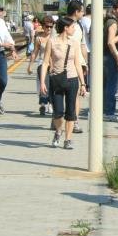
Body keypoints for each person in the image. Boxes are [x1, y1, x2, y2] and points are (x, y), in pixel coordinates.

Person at [40, 16, 86, 150]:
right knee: (58, 112)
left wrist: (83, 84)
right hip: (56, 79)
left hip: (72, 80)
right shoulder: (52, 42)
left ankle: (68, 139)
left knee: (71, 111)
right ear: (66, 28)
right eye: (72, 27)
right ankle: (58, 131)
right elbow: (45, 62)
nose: (74, 29)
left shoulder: (75, 42)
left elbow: (78, 63)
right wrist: (43, 81)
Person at [65, 0, 88, 134]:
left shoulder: (79, 26)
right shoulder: (63, 25)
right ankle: (63, 119)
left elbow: (82, 45)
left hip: (76, 63)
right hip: (64, 63)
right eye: (82, 11)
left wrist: (85, 63)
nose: (83, 13)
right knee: (66, 94)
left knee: (75, 94)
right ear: (76, 12)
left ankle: (74, 121)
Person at [103, 0, 118, 121]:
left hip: (105, 57)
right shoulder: (113, 23)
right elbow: (110, 42)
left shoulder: (108, 21)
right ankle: (109, 112)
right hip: (110, 58)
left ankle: (104, 110)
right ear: (114, 10)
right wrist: (117, 55)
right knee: (111, 86)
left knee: (105, 85)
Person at [27, 15, 54, 116]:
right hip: (42, 63)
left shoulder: (55, 37)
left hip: (54, 64)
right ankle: (43, 103)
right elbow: (35, 52)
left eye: (51, 26)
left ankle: (50, 104)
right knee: (44, 82)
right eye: (47, 26)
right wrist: (30, 65)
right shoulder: (39, 38)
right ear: (43, 26)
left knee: (52, 84)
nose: (49, 29)